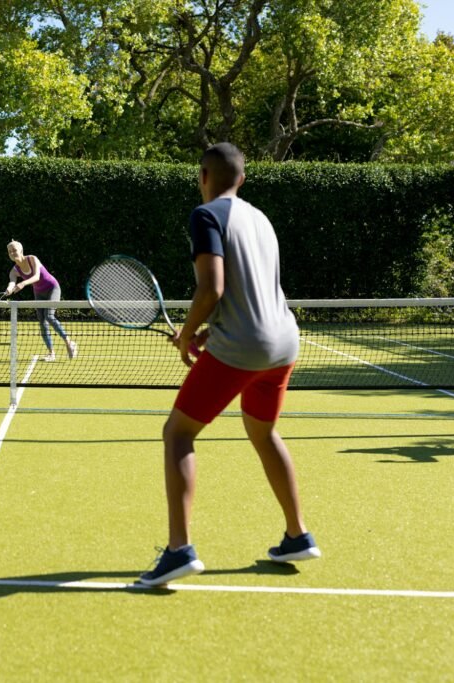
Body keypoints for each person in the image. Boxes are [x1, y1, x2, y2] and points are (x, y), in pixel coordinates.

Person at [138, 142, 319, 587]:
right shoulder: (261, 219)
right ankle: (297, 535)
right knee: (263, 431)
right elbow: (249, 291)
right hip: (284, 343)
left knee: (178, 433)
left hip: (245, 345)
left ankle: (179, 550)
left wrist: (186, 335)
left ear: (203, 176)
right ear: (242, 178)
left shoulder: (206, 215)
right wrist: (206, 331)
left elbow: (212, 288)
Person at [4, 240, 76, 361]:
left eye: (14, 250)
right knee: (42, 323)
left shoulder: (32, 259)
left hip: (52, 288)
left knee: (49, 316)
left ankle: (69, 342)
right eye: (10, 252)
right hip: (39, 293)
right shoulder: (14, 271)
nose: (12, 253)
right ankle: (51, 353)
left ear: (21, 250)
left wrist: (23, 283)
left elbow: (36, 276)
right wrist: (9, 289)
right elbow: (12, 282)